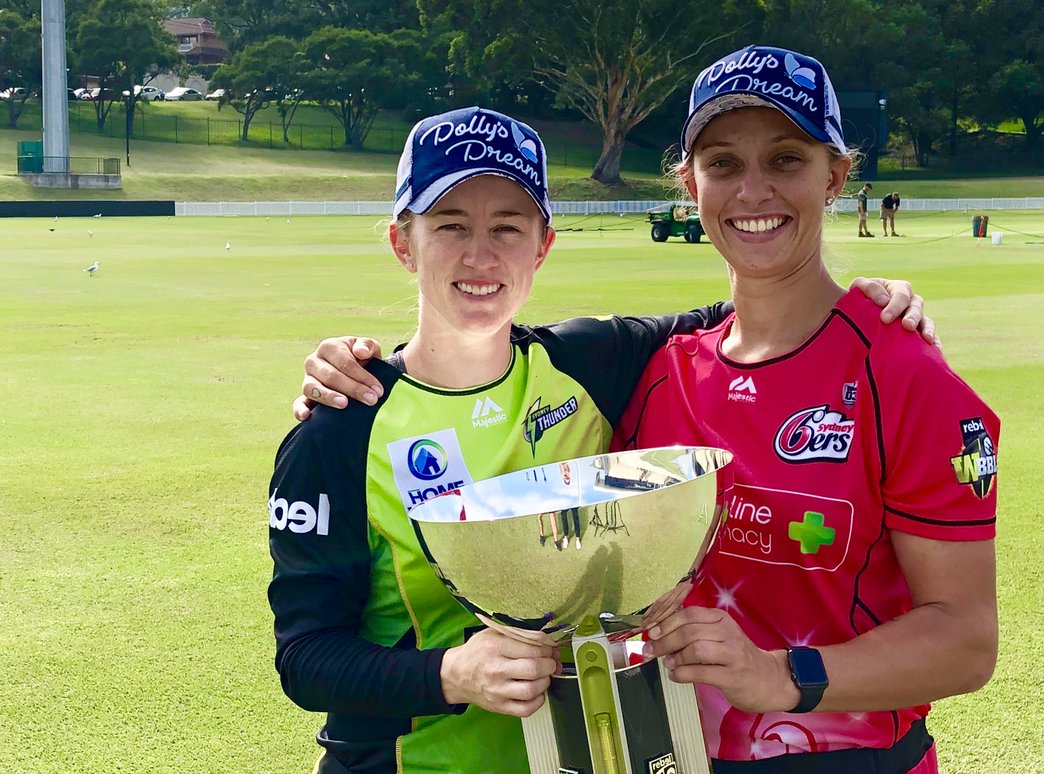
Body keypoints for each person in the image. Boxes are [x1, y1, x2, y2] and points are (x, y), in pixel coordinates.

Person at [270, 105, 931, 774]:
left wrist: (868, 301)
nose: (480, 255)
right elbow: (305, 658)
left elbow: (752, 315)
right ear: (402, 244)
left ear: (543, 246)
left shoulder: (592, 363)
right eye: (450, 226)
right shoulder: (342, 426)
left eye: (507, 227)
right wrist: (450, 674)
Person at [619, 46, 998, 772]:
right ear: (688, 184)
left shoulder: (904, 373)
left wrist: (783, 676)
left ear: (835, 177)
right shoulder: (663, 371)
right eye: (724, 163)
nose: (752, 190)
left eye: (786, 159)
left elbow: (966, 640)